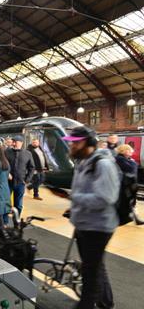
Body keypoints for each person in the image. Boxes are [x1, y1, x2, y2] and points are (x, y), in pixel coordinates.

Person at [63, 126, 119, 309]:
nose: (70, 147)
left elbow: (105, 198)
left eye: (73, 143)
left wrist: (73, 198)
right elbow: (85, 191)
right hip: (85, 223)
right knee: (94, 267)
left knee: (90, 272)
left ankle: (87, 304)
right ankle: (106, 303)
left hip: (98, 227)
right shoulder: (83, 162)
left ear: (84, 143)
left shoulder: (103, 164)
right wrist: (75, 208)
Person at [5, 135, 34, 220]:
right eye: (13, 141)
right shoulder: (7, 152)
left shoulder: (27, 154)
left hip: (20, 183)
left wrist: (27, 180)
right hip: (7, 182)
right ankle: (5, 222)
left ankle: (16, 221)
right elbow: (2, 165)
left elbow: (31, 167)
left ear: (21, 143)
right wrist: (7, 174)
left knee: (18, 204)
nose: (13, 143)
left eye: (15, 142)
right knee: (6, 203)